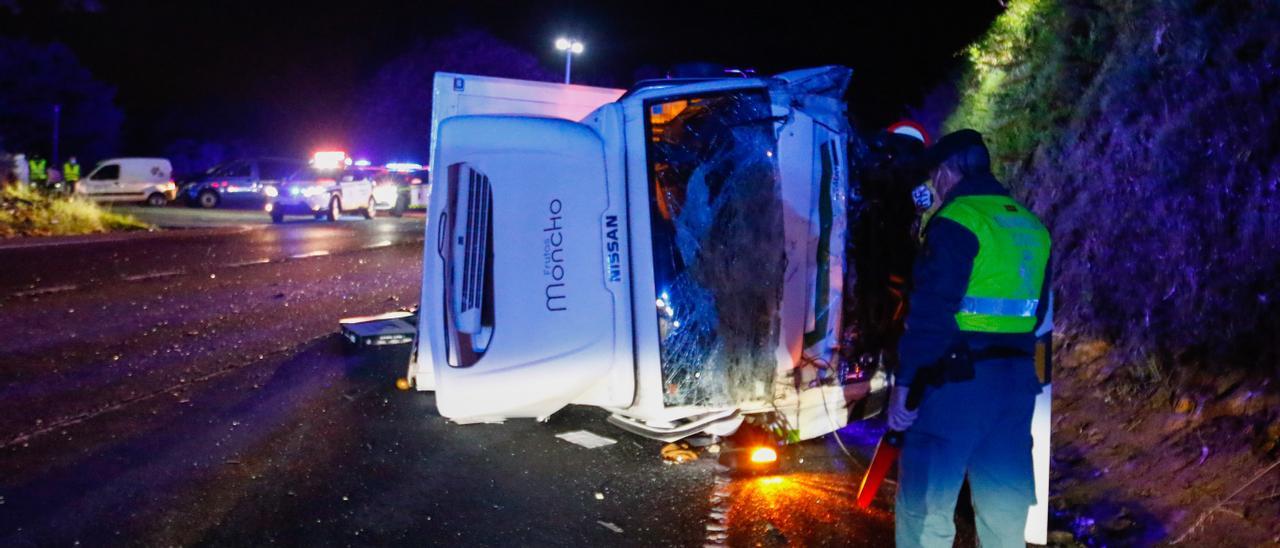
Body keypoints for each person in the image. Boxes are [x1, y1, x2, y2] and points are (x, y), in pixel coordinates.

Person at [889, 129, 1051, 548]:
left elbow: (931, 312)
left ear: (946, 172)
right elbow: (1037, 311)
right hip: (1015, 386)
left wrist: (904, 386)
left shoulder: (957, 221)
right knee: (1003, 510)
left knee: (926, 508)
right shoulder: (1031, 225)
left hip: (955, 384)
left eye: (935, 177)